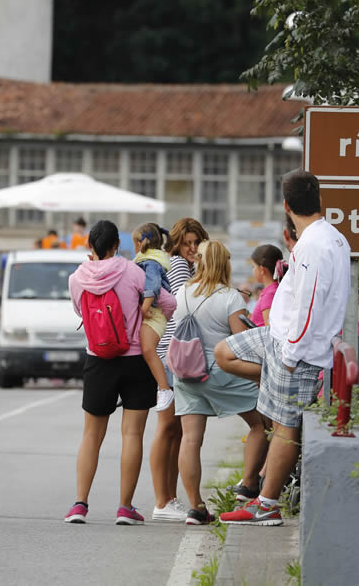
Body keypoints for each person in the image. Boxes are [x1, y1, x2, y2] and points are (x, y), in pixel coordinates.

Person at [216, 169, 350, 527]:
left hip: (299, 349)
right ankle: (264, 498)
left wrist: (290, 355)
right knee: (224, 352)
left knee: (285, 426)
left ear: (286, 206)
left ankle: (267, 504)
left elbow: (309, 305)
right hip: (278, 338)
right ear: (319, 200)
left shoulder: (315, 244)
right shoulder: (328, 237)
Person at [64, 220, 177, 525]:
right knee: (132, 434)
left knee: (91, 435)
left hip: (98, 359)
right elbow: (169, 302)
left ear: (90, 245)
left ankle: (79, 505)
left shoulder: (77, 277)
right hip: (136, 359)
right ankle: (125, 508)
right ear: (117, 245)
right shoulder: (133, 271)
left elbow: (80, 311)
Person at [173, 241, 267, 525]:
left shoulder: (182, 292)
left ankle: (196, 507)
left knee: (191, 439)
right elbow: (241, 343)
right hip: (220, 371)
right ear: (224, 263)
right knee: (260, 425)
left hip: (187, 371)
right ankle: (248, 484)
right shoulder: (230, 298)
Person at [150, 217, 209, 521]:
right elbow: (184, 308)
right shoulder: (178, 265)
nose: (192, 248)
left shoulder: (185, 265)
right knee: (167, 428)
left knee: (174, 430)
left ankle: (168, 499)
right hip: (172, 353)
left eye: (197, 243)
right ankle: (162, 500)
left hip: (172, 352)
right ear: (176, 244)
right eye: (187, 243)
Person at [132, 222, 175, 412]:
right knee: (139, 351)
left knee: (148, 349)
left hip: (154, 314)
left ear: (141, 243)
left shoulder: (150, 263)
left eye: (134, 243)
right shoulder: (149, 260)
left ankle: (165, 389)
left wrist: (144, 308)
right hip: (152, 312)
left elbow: (153, 286)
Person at [248, 244, 284, 327]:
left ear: (262, 270)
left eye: (253, 266)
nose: (252, 270)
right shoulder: (272, 290)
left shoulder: (269, 294)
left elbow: (269, 329)